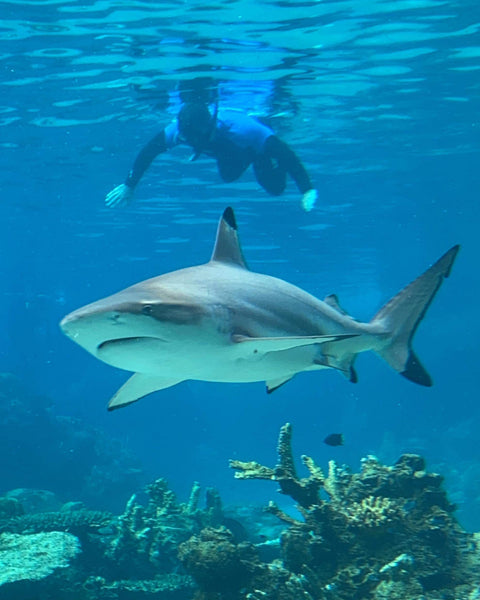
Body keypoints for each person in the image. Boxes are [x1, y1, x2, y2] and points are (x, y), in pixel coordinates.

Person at [105, 102, 318, 212]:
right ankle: (249, 156)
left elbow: (287, 155)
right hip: (232, 154)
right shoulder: (178, 131)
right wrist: (129, 185)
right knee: (228, 175)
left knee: (276, 188)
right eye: (185, 137)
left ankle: (257, 156)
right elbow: (148, 151)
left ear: (208, 128)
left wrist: (307, 189)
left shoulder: (244, 130)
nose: (189, 142)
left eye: (195, 139)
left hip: (258, 148)